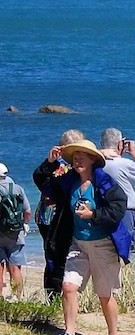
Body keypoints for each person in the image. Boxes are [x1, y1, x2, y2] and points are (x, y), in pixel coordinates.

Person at [34, 139, 132, 335]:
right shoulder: (70, 181)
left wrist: (93, 214)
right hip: (78, 244)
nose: (77, 160)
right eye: (74, 157)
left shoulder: (105, 183)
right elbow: (45, 185)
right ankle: (69, 332)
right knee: (68, 286)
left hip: (103, 244)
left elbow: (118, 209)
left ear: (93, 160)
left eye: (82, 156)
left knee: (105, 295)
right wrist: (50, 163)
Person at [33, 128, 84, 299]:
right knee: (56, 257)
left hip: (48, 216)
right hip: (53, 217)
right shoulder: (64, 167)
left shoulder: (62, 165)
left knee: (54, 257)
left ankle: (55, 295)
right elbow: (43, 182)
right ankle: (56, 295)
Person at [99, 128, 135, 246]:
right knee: (129, 250)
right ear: (120, 144)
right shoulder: (123, 163)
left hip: (102, 211)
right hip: (125, 213)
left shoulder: (95, 162)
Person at [0, 164, 33, 300]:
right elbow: (28, 211)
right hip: (16, 233)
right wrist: (25, 224)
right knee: (15, 268)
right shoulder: (18, 188)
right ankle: (17, 298)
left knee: (0, 266)